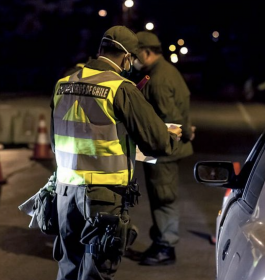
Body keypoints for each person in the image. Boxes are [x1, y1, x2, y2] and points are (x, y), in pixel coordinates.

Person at [49, 25, 182, 280]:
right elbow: (156, 141)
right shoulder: (120, 88)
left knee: (68, 267)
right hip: (103, 196)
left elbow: (57, 142)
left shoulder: (63, 84)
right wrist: (172, 137)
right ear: (125, 56)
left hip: (65, 193)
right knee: (96, 271)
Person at [133, 31, 195, 266]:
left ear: (146, 52)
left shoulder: (158, 79)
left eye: (136, 54)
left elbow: (171, 119)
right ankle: (160, 240)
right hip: (159, 149)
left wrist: (185, 132)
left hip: (163, 151)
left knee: (163, 197)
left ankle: (165, 246)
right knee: (160, 196)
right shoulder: (163, 72)